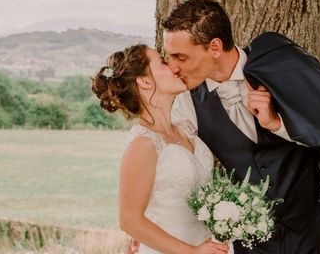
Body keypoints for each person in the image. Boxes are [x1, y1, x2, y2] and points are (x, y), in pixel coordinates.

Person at [164, 0, 320, 254]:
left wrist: (277, 124)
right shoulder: (186, 100)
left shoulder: (280, 70)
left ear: (215, 47)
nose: (173, 66)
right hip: (247, 237)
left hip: (309, 226)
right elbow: (173, 160)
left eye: (180, 56)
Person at [91, 44, 230, 254]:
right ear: (145, 81)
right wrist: (192, 252)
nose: (174, 67)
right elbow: (129, 220)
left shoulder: (185, 127)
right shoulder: (143, 144)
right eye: (163, 62)